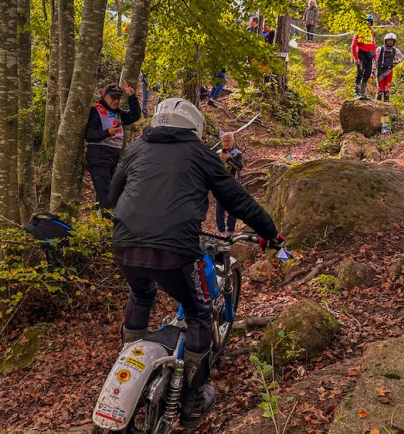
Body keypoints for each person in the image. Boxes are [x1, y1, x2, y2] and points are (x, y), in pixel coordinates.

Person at [109, 98, 284, 428]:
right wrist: (271, 233)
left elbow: (112, 195)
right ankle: (192, 399)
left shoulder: (136, 148)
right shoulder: (201, 154)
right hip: (175, 248)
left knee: (141, 293)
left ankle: (129, 360)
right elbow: (237, 200)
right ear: (195, 127)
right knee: (199, 312)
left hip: (124, 242)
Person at [85, 82, 142, 210]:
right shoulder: (95, 110)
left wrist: (132, 97)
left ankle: (99, 218)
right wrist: (107, 133)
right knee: (107, 196)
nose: (116, 101)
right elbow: (89, 134)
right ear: (104, 96)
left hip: (112, 161)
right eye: (113, 97)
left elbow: (134, 116)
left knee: (111, 194)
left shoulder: (118, 113)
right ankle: (107, 221)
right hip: (98, 160)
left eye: (118, 98)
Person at [215, 132, 245, 233]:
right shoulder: (218, 152)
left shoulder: (237, 153)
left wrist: (229, 159)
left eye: (228, 141)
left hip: (233, 184)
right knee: (219, 207)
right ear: (221, 142)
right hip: (220, 184)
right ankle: (220, 230)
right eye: (224, 141)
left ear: (233, 141)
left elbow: (239, 167)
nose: (226, 143)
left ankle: (231, 229)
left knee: (232, 207)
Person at [351, 14, 377, 99]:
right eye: (366, 22)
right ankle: (357, 92)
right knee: (360, 73)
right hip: (361, 54)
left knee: (368, 74)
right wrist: (356, 57)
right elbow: (353, 45)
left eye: (369, 22)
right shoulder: (359, 31)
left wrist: (375, 56)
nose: (367, 23)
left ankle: (362, 93)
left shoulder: (371, 32)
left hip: (370, 55)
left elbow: (373, 44)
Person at [374, 33, 404, 102]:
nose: (390, 42)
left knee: (387, 87)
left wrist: (396, 62)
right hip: (380, 70)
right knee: (380, 87)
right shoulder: (380, 48)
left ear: (394, 42)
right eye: (388, 40)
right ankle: (377, 102)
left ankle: (386, 102)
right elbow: (375, 58)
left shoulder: (395, 50)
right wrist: (373, 68)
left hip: (389, 70)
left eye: (392, 40)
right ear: (385, 40)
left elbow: (402, 57)